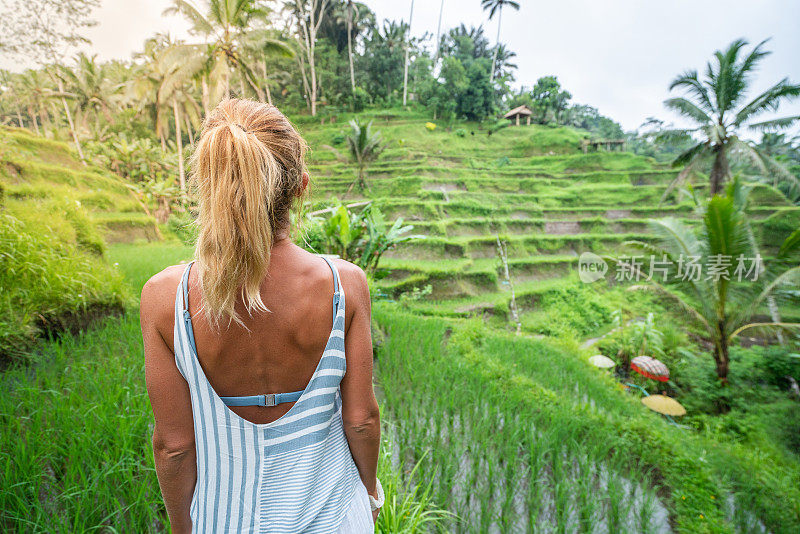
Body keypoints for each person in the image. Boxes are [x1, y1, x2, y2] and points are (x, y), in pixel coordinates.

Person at [140, 98, 382, 533]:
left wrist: (182, 526)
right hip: (334, 519)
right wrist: (369, 493)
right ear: (300, 187)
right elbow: (361, 419)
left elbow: (173, 447)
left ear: (209, 187)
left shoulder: (165, 298)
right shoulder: (344, 285)